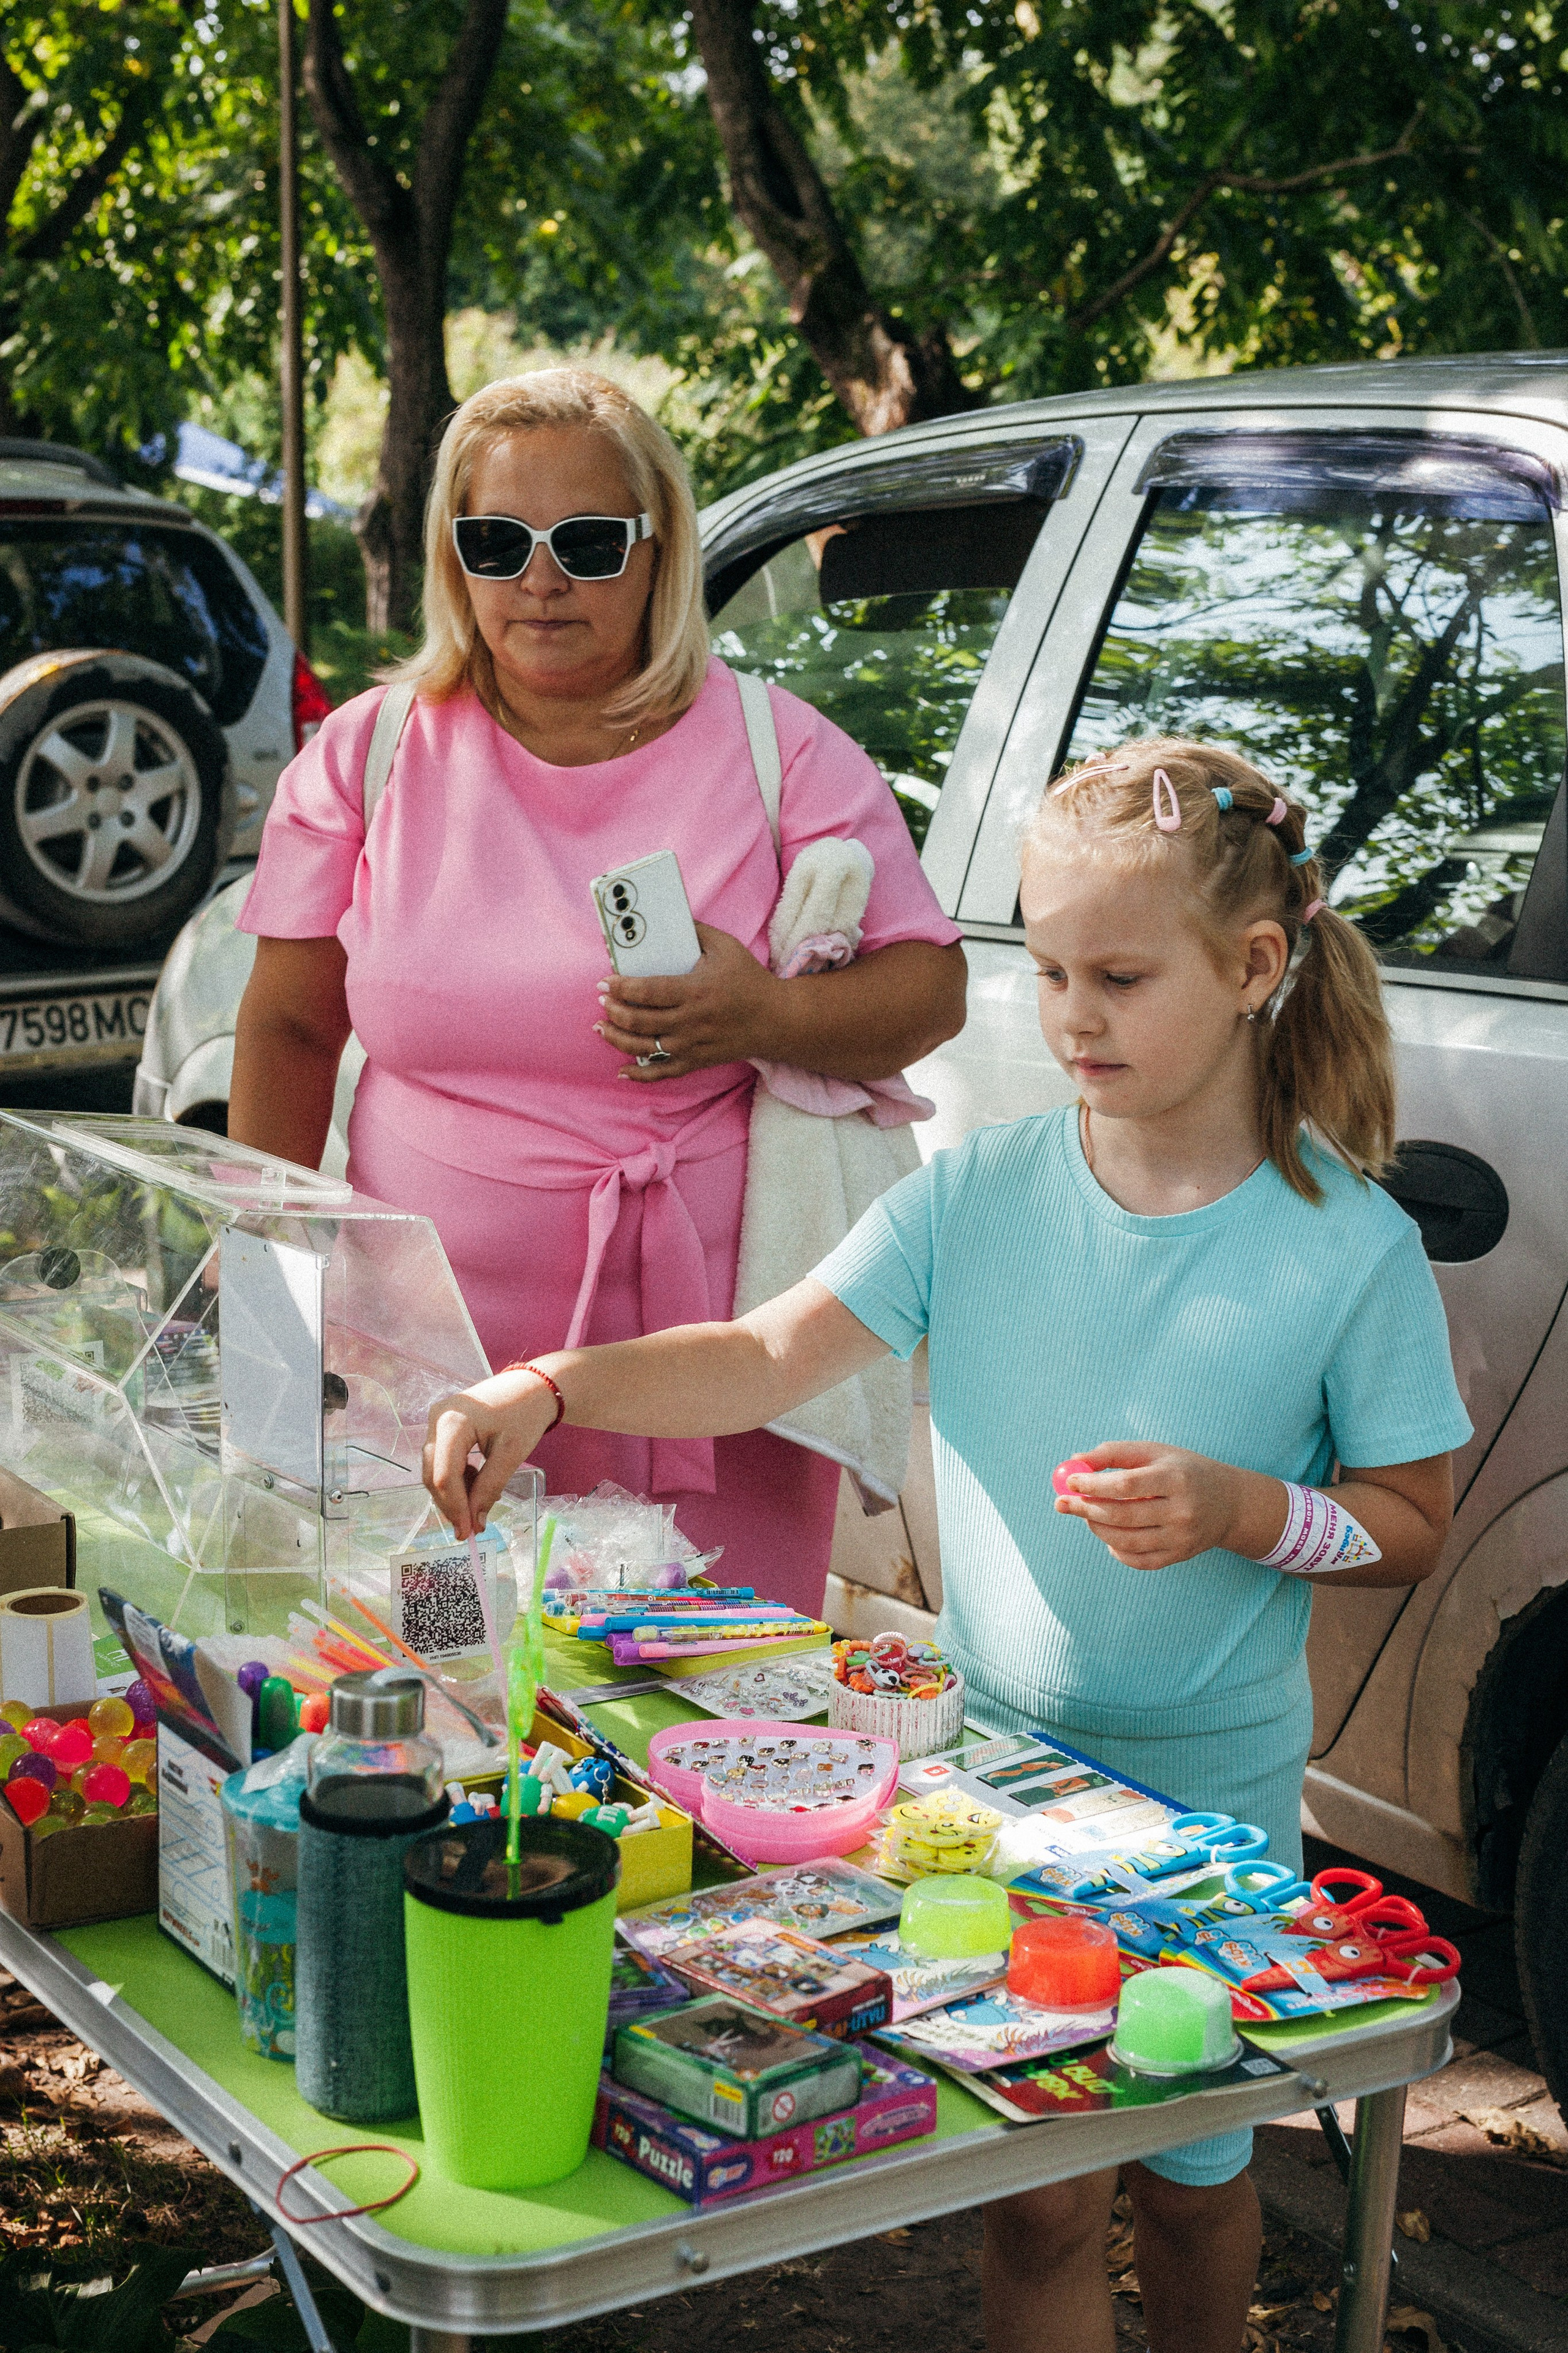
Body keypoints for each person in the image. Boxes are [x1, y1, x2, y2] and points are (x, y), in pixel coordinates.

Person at [422, 735, 1471, 2353]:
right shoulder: (975, 1194)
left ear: (1258, 966)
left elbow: (1411, 1527)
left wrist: (1250, 1510)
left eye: (1119, 976)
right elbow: (764, 1354)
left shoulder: (1351, 1249)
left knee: (1194, 2178)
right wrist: (551, 1384)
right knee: (1038, 2184)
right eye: (1047, 971)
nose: (1070, 1017)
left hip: (1220, 1807)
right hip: (989, 1789)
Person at [228, 368, 966, 1613]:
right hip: (419, 1359)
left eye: (582, 541)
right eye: (494, 541)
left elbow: (930, 990)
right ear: (450, 556)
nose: (539, 577)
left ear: (655, 549)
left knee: (694, 1739)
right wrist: (264, 1294)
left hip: (703, 1379)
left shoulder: (777, 750)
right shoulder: (370, 750)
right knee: (443, 1707)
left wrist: (763, 1016)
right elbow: (292, 1025)